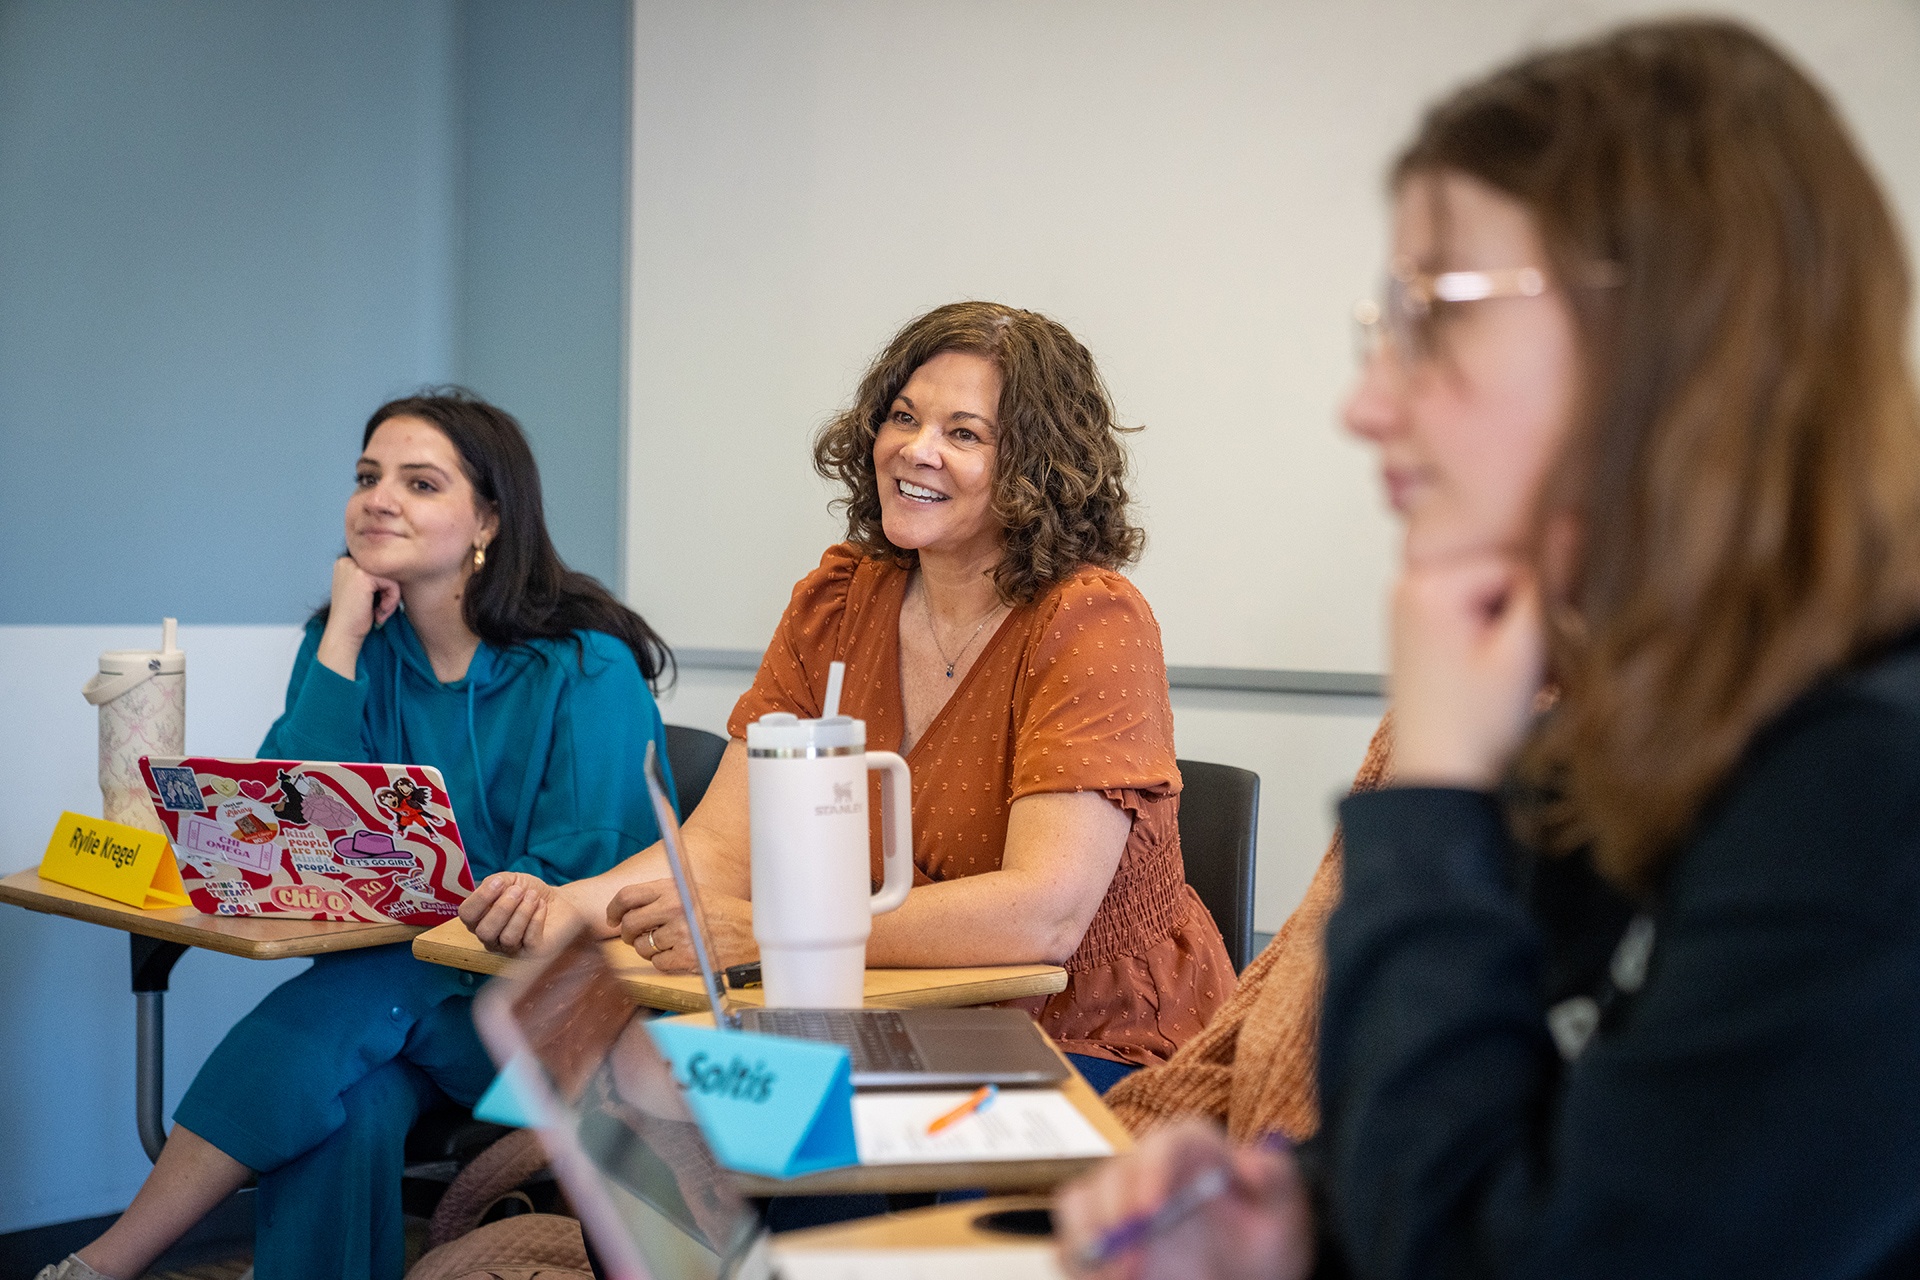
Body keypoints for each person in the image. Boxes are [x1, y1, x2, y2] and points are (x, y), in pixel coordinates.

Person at [1056, 18, 1920, 1278]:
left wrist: (1440, 795)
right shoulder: (1634, 723)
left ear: (1672, 336)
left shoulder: (1871, 786)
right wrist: (1301, 1225)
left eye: (1437, 312)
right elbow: (1520, 1159)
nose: (1367, 400)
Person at [464, 301, 1235, 1090]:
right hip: (881, 1009)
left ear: (1035, 469)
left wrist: (775, 935)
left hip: (1091, 1033)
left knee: (777, 1131)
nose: (916, 450)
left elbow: (1043, 916)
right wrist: (566, 908)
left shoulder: (1091, 621)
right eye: (903, 417)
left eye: (964, 433)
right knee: (667, 1114)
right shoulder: (836, 603)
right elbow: (724, 849)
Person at [44, 391, 678, 1280]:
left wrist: (467, 908)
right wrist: (341, 637)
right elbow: (276, 829)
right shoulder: (352, 644)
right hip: (406, 1019)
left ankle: (101, 1265)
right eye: (367, 476)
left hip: (553, 1014)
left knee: (367, 989)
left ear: (490, 519)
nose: (378, 499)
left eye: (420, 483)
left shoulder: (587, 665)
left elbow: (592, 867)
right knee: (347, 1112)